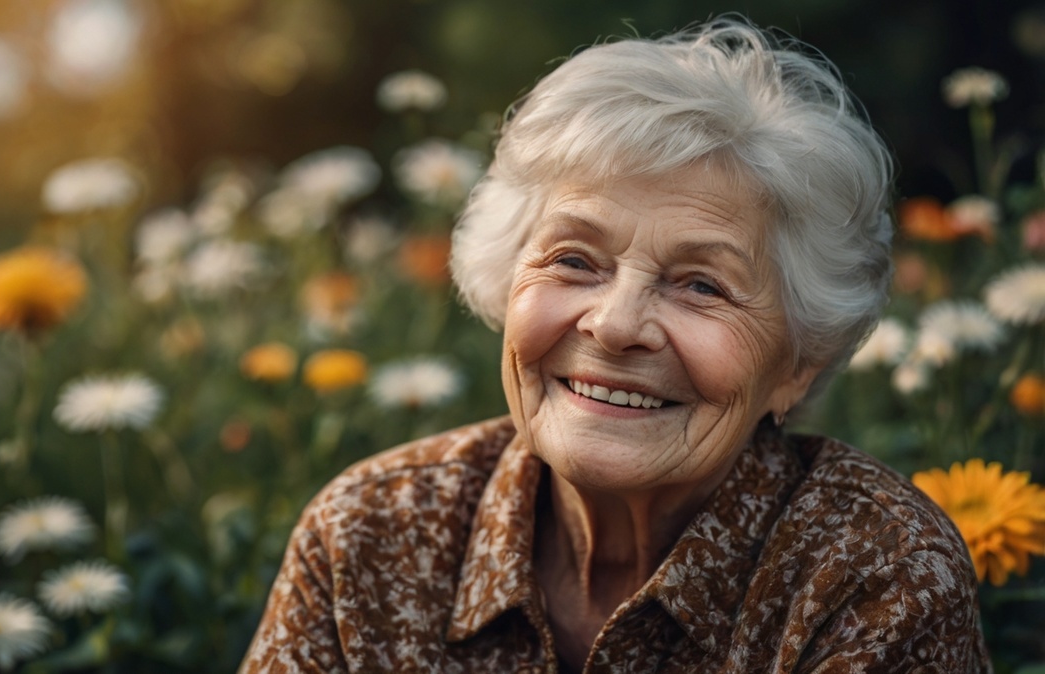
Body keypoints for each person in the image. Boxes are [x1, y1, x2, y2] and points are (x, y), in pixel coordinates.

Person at [241, 17, 992, 673]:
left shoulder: (874, 575)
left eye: (702, 285)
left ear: (799, 362)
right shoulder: (368, 537)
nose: (615, 323)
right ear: (506, 283)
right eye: (574, 261)